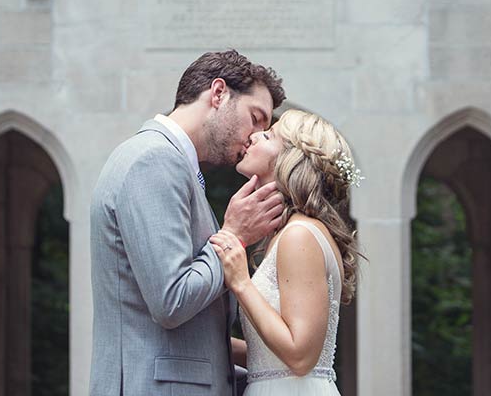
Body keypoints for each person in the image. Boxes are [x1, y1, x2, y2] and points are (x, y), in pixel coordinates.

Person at [89, 50, 287, 396]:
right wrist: (234, 235)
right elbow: (172, 300)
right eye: (255, 117)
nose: (256, 135)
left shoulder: (171, 163)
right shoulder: (153, 161)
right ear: (219, 93)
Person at [210, 109, 362, 395]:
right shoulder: (289, 233)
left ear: (289, 160)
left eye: (268, 136)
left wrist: (241, 282)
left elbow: (300, 357)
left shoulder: (299, 236)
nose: (254, 136)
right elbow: (271, 356)